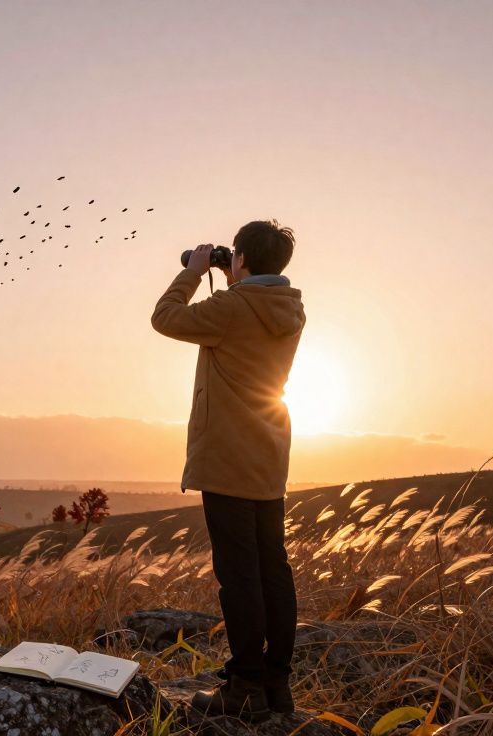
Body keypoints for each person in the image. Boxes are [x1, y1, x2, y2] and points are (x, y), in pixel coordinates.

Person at [150, 220, 305, 721]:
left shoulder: (233, 308)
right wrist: (235, 272)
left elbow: (165, 318)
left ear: (240, 258)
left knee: (238, 577)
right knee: (272, 571)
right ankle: (277, 685)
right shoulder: (289, 309)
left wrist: (195, 272)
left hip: (225, 460)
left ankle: (244, 688)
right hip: (268, 456)